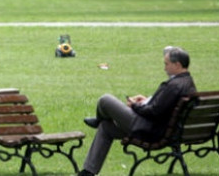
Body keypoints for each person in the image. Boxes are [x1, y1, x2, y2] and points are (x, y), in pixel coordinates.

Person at [77, 46, 196, 176]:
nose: (164, 68)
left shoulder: (174, 86)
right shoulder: (186, 82)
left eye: (166, 64)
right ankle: (88, 171)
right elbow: (161, 107)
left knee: (105, 100)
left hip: (148, 129)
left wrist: (134, 105)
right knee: (106, 127)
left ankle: (99, 118)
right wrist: (146, 101)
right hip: (160, 128)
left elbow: (154, 112)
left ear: (177, 64)